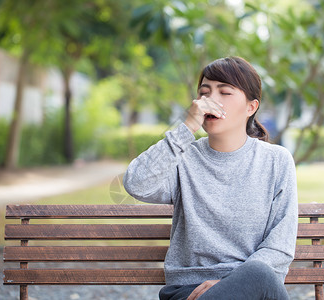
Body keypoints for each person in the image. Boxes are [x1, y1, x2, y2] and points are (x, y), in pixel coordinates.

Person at [123, 56, 298, 300]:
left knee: (260, 274)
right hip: (190, 292)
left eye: (225, 92)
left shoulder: (276, 161)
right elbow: (136, 184)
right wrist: (186, 128)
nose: (211, 100)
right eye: (204, 93)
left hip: (254, 289)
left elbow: (279, 247)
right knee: (258, 276)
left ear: (251, 107)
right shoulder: (183, 159)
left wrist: (227, 284)